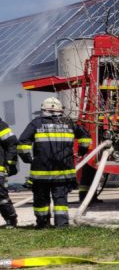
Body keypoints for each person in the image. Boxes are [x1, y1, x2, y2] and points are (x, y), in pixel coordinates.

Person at [17, 97, 91, 228]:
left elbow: (23, 142)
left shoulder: (36, 123)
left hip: (41, 172)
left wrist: (28, 159)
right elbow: (85, 136)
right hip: (63, 171)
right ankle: (61, 225)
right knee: (60, 199)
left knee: (41, 199)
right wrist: (82, 151)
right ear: (60, 110)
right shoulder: (69, 123)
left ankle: (43, 224)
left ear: (43, 109)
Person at [0, 116, 19, 228]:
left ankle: (10, 220)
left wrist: (10, 162)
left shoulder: (1, 125)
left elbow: (11, 143)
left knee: (1, 197)